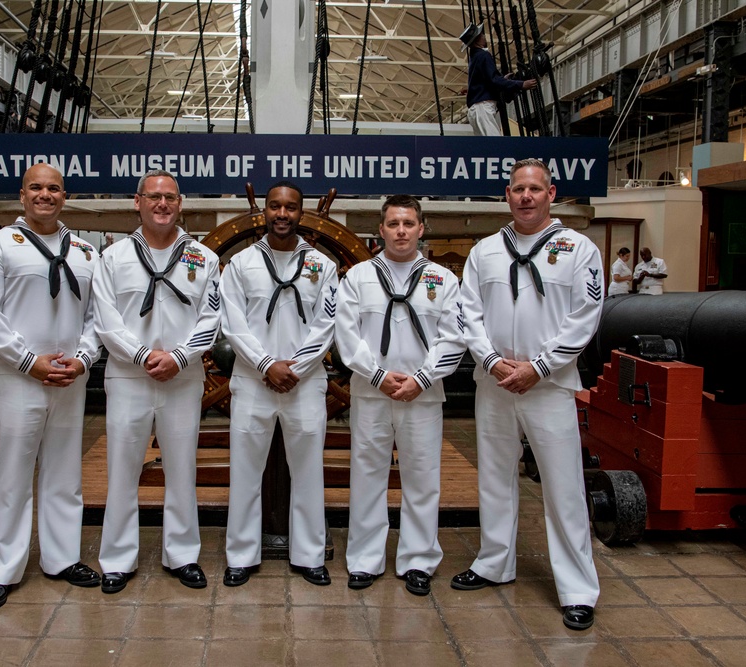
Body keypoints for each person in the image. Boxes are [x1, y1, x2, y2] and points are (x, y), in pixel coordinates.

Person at [453, 158, 602, 631]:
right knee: (495, 478)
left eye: (535, 189)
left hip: (549, 386)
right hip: (495, 383)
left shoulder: (579, 250)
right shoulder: (484, 252)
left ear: (551, 193)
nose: (526, 197)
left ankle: (577, 589)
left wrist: (539, 366)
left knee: (563, 488)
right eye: (518, 189)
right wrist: (492, 361)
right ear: (507, 194)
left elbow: (585, 317)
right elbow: (467, 314)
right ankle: (495, 562)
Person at [0, 163, 102, 610]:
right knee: (12, 474)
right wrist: (29, 361)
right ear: (22, 195)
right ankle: (1, 570)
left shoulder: (85, 252)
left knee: (65, 472)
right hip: (17, 376)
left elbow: (97, 318)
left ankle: (61, 559)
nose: (45, 195)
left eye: (54, 189)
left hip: (68, 376)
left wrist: (83, 359)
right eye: (36, 188)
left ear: (65, 196)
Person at [93, 169, 220, 593]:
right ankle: (116, 559)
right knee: (122, 469)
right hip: (129, 375)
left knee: (181, 468)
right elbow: (105, 320)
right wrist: (145, 355)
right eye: (154, 196)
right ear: (138, 202)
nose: (162, 204)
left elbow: (212, 317)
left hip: (183, 377)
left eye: (170, 197)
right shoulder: (113, 258)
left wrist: (180, 356)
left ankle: (182, 554)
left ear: (180, 203)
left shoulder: (203, 257)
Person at [335, 195, 465, 596]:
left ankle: (418, 560)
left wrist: (422, 379)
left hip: (422, 395)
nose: (401, 231)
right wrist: (377, 376)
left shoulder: (443, 280)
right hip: (372, 393)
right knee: (368, 476)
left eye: (409, 223)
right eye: (393, 224)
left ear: (422, 228)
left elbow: (454, 337)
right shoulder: (358, 277)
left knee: (422, 480)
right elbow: (345, 335)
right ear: (381, 229)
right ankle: (365, 559)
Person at [219, 181, 338, 588]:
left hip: (305, 383)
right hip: (252, 381)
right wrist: (268, 364)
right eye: (275, 206)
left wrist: (295, 369)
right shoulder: (241, 264)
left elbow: (327, 325)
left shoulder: (322, 266)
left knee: (307, 471)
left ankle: (309, 555)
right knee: (246, 471)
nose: (282, 214)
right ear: (264, 211)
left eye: (290, 208)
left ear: (301, 214)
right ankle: (240, 555)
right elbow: (232, 324)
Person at [459, 23, 537, 137]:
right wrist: (521, 84)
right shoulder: (484, 56)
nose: (484, 37)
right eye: (482, 35)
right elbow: (494, 80)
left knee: (485, 149)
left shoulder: (474, 58)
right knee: (495, 146)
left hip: (475, 110)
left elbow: (486, 79)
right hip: (483, 108)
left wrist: (502, 79)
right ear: (477, 40)